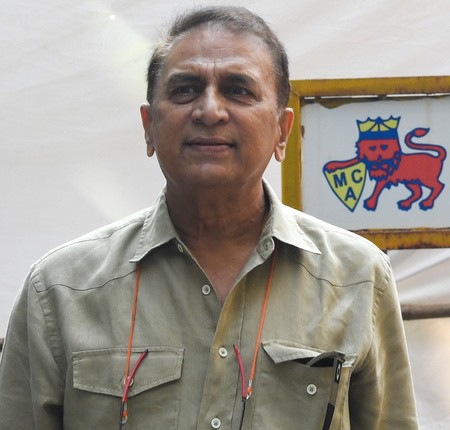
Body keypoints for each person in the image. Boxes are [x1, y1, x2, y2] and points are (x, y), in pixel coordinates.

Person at [0, 6, 418, 430]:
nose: (210, 110)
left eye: (238, 90)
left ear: (282, 131)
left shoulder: (357, 277)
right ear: (149, 126)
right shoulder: (60, 290)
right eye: (185, 89)